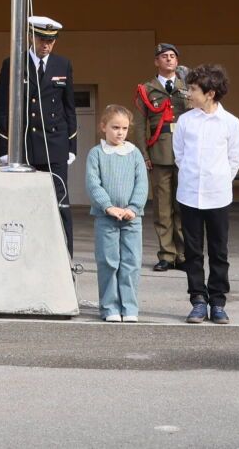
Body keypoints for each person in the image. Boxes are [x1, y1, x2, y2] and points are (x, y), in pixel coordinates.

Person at [0, 15, 78, 247]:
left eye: (51, 41)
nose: (46, 45)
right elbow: (2, 108)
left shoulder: (63, 64)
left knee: (60, 203)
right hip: (25, 145)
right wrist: (4, 147)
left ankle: (65, 257)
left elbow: (69, 108)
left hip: (56, 144)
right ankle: (26, 252)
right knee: (23, 202)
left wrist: (72, 146)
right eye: (42, 39)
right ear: (31, 37)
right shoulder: (14, 63)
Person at [173, 63, 239, 325]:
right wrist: (193, 177)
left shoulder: (230, 123)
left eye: (193, 89)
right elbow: (179, 155)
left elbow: (234, 159)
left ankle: (218, 302)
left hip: (218, 195)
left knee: (218, 251)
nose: (189, 93)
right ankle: (198, 300)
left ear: (210, 93)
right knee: (192, 251)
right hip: (189, 194)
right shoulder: (185, 121)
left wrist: (219, 180)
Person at [86, 103, 149, 322]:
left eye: (124, 128)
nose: (120, 132)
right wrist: (108, 206)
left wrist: (133, 208)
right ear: (103, 126)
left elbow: (142, 183)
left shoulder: (134, 153)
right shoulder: (96, 154)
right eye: (115, 127)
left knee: (131, 262)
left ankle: (129, 307)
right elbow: (93, 183)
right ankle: (109, 308)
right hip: (106, 218)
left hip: (132, 219)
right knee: (108, 262)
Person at [134, 42, 185, 273]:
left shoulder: (188, 87)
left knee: (183, 206)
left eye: (172, 56)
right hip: (159, 154)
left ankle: (183, 255)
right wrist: (144, 154)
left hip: (185, 154)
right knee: (163, 209)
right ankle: (166, 254)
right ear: (156, 61)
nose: (169, 59)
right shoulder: (147, 89)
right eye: (164, 56)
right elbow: (140, 126)